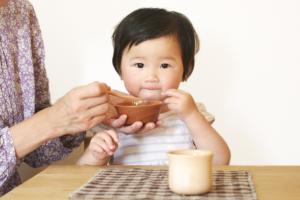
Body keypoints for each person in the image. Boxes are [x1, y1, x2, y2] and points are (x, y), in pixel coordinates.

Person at [0, 0, 152, 196]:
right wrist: (51, 120)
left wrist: (85, 115)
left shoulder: (20, 11)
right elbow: (43, 125)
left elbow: (36, 153)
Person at [77, 8, 231, 166]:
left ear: (186, 68)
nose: (151, 76)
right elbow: (82, 173)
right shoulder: (112, 118)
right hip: (128, 191)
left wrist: (191, 115)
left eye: (164, 65)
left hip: (180, 190)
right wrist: (96, 156)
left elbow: (220, 161)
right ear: (119, 68)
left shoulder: (190, 112)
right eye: (139, 65)